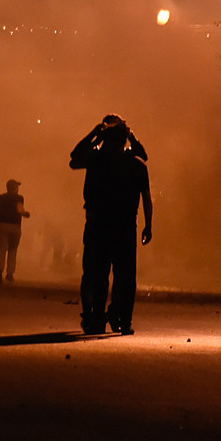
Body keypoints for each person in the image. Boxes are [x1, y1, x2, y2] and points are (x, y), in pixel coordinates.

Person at [69, 114, 152, 335]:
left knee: (95, 273)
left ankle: (94, 317)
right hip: (125, 226)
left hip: (98, 223)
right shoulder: (134, 164)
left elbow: (74, 158)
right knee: (125, 275)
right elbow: (144, 160)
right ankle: (121, 318)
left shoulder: (96, 159)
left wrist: (94, 135)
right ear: (125, 140)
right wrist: (148, 225)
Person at [0, 179, 31, 284]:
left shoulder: (1, 197)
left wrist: (3, 211)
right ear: (14, 188)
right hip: (15, 226)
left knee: (1, 249)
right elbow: (19, 210)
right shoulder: (19, 198)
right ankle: (9, 274)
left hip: (2, 225)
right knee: (13, 250)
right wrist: (26, 214)